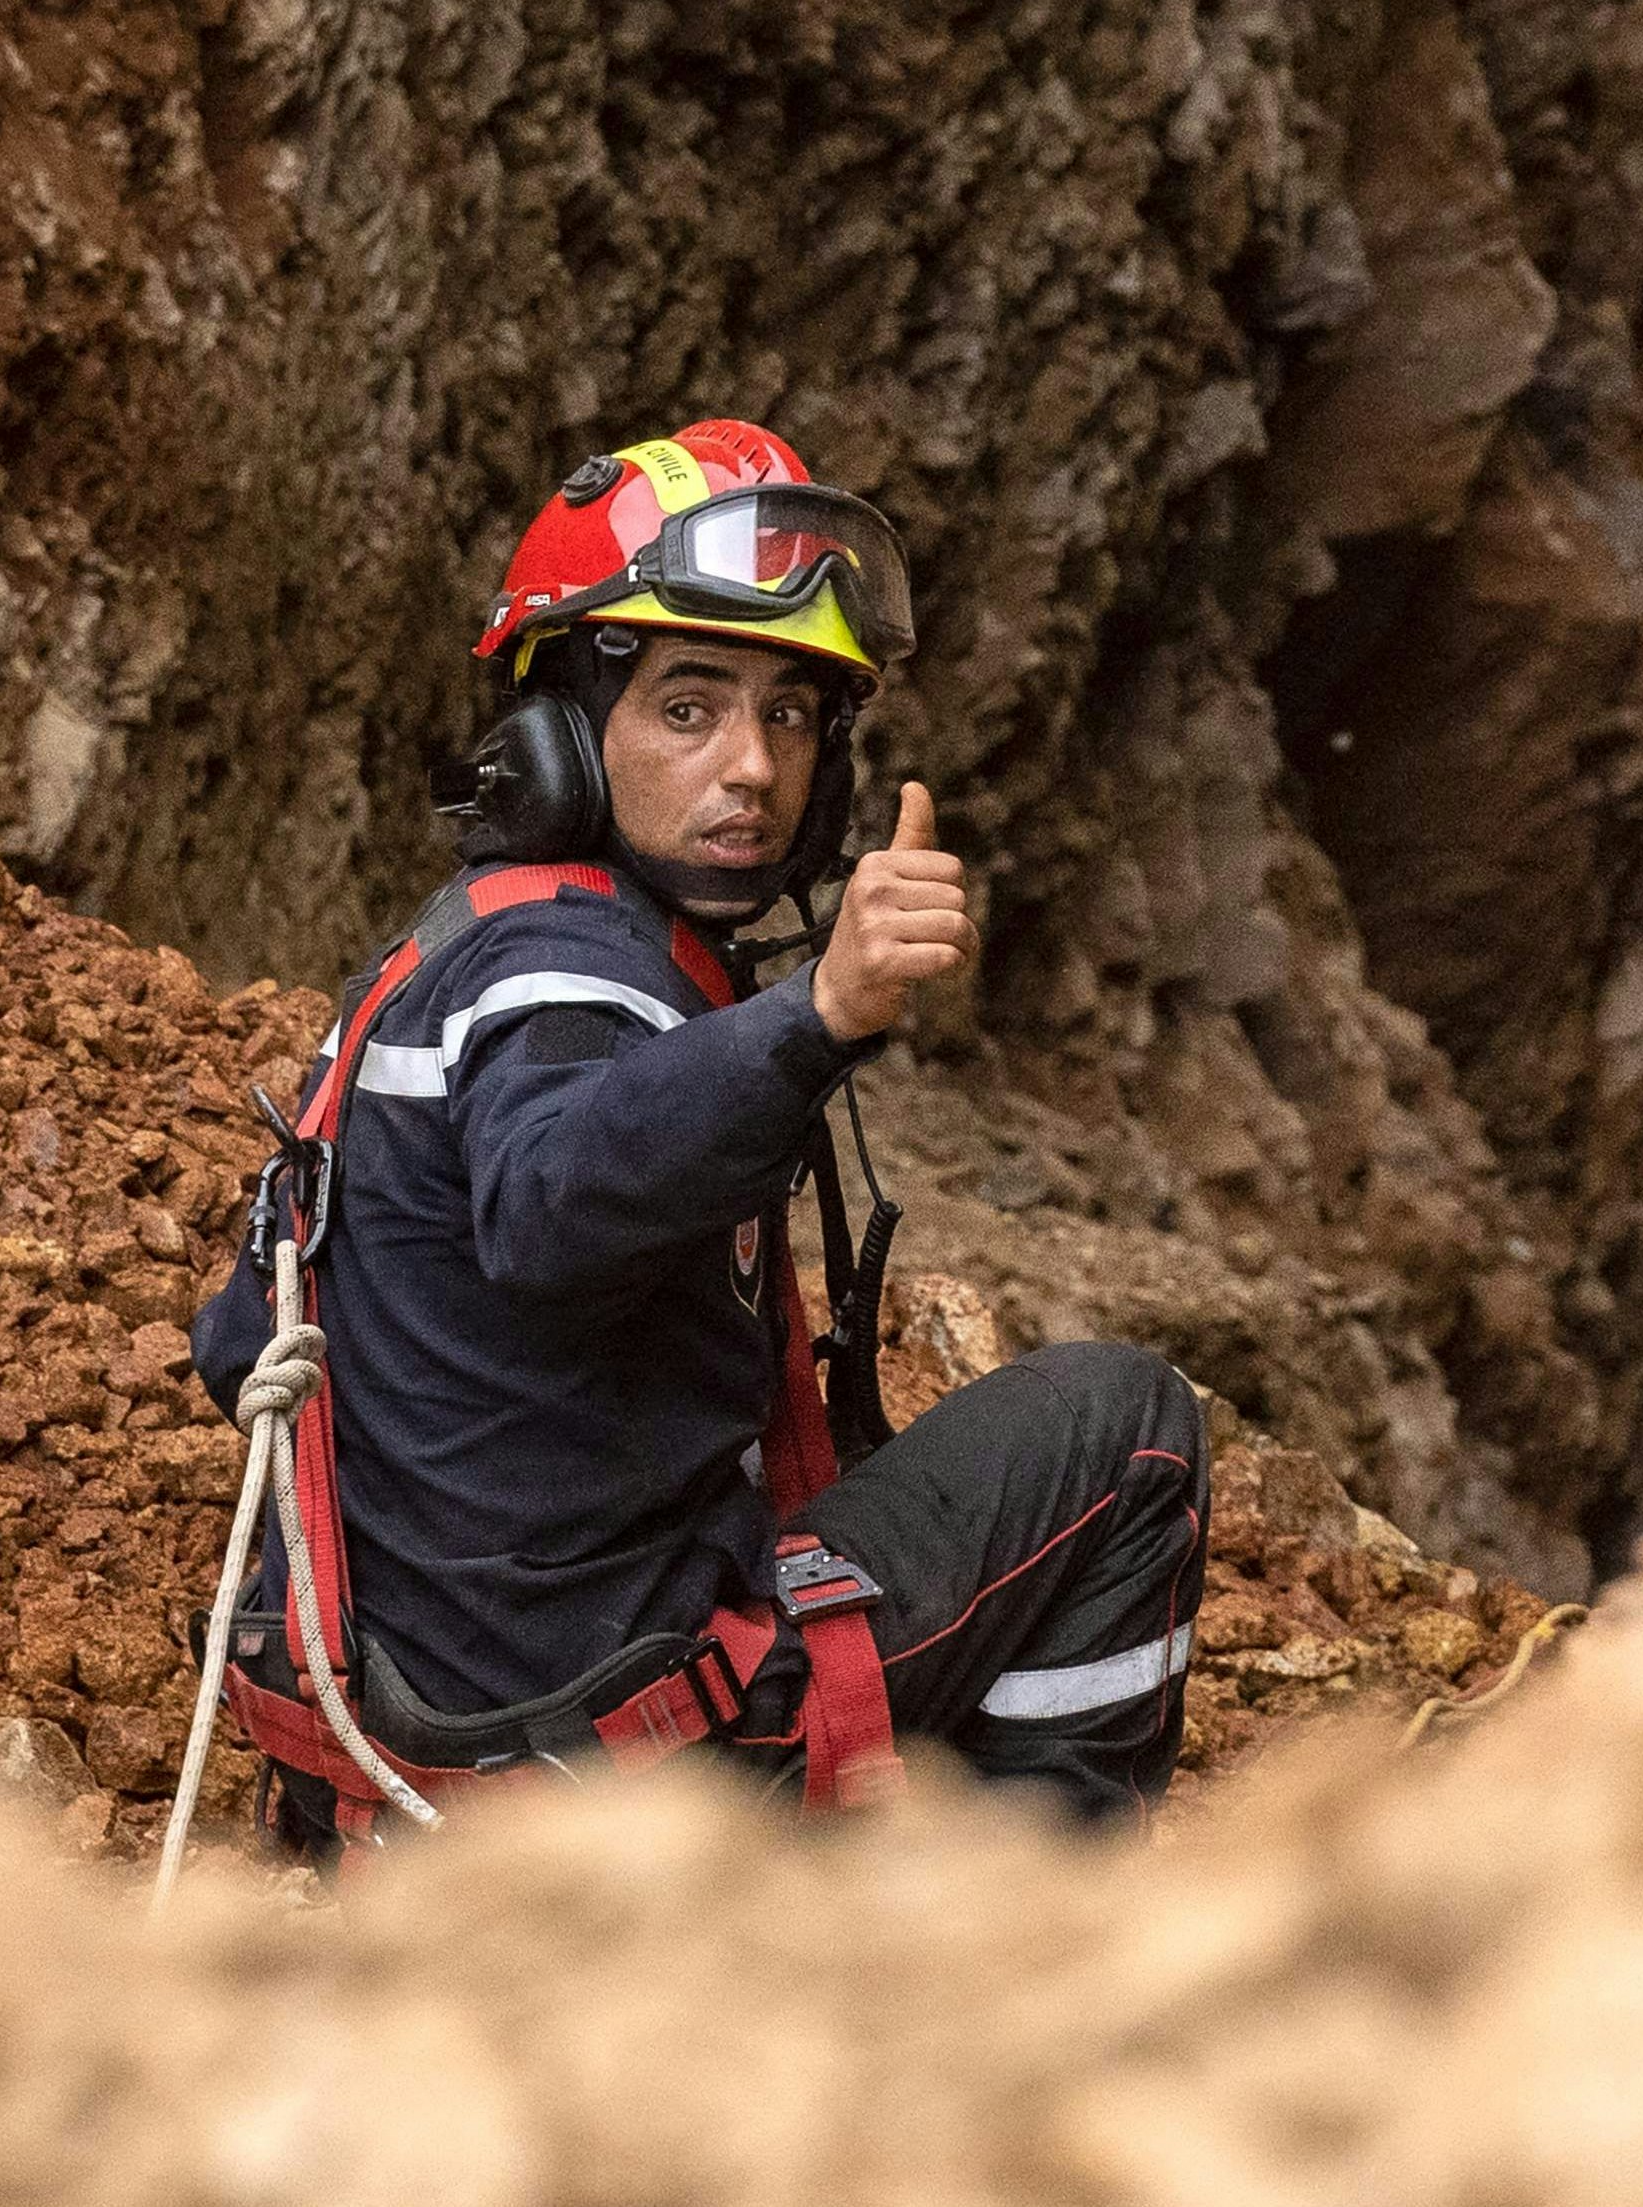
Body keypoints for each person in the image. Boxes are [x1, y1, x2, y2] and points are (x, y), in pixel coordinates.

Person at [191, 419, 1206, 1850]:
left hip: (407, 1762)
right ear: (560, 735)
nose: (751, 768)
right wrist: (821, 1012)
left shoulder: (463, 953)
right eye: (688, 708)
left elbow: (237, 1340)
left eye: (789, 715)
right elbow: (553, 1201)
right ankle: (1012, 1941)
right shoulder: (568, 972)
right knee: (1126, 1429)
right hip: (609, 1772)